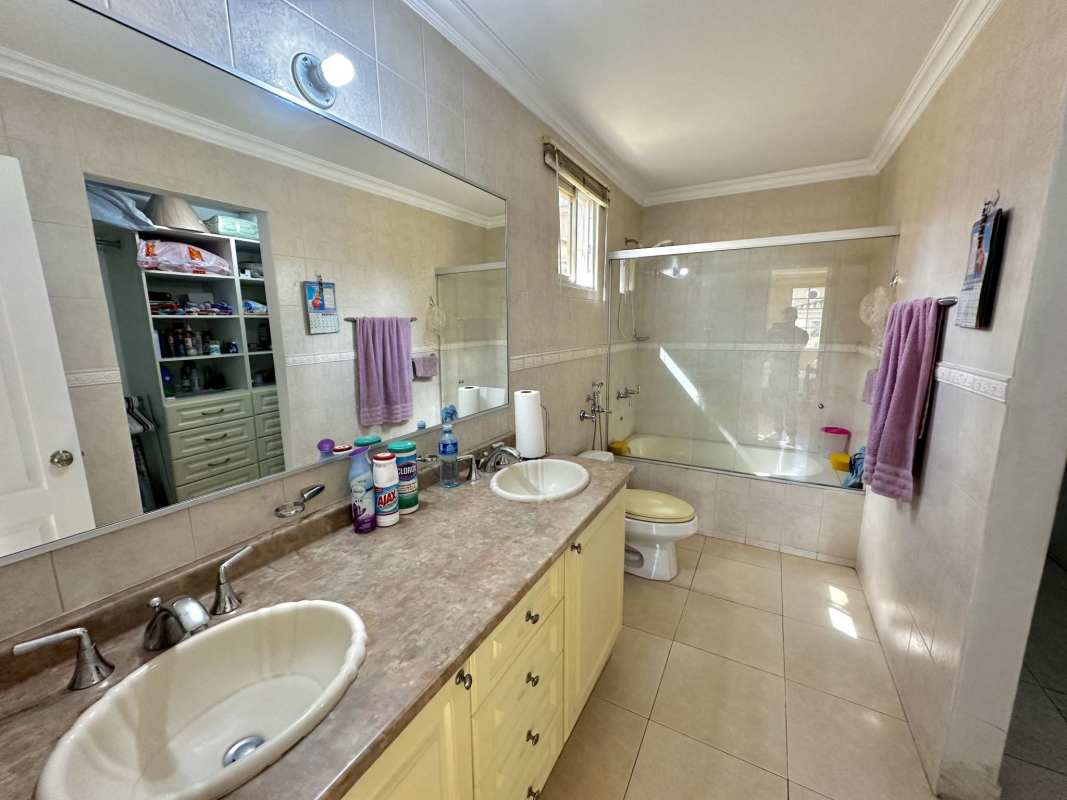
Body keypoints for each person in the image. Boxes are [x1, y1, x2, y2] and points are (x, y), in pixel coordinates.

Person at [764, 306, 810, 445]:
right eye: (786, 316)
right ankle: (778, 432)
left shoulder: (801, 334)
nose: (788, 319)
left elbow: (797, 346)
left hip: (790, 372)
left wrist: (778, 332)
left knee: (791, 405)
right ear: (783, 317)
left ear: (795, 318)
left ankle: (791, 436)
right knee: (776, 403)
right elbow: (766, 346)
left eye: (791, 316)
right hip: (777, 371)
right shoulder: (775, 331)